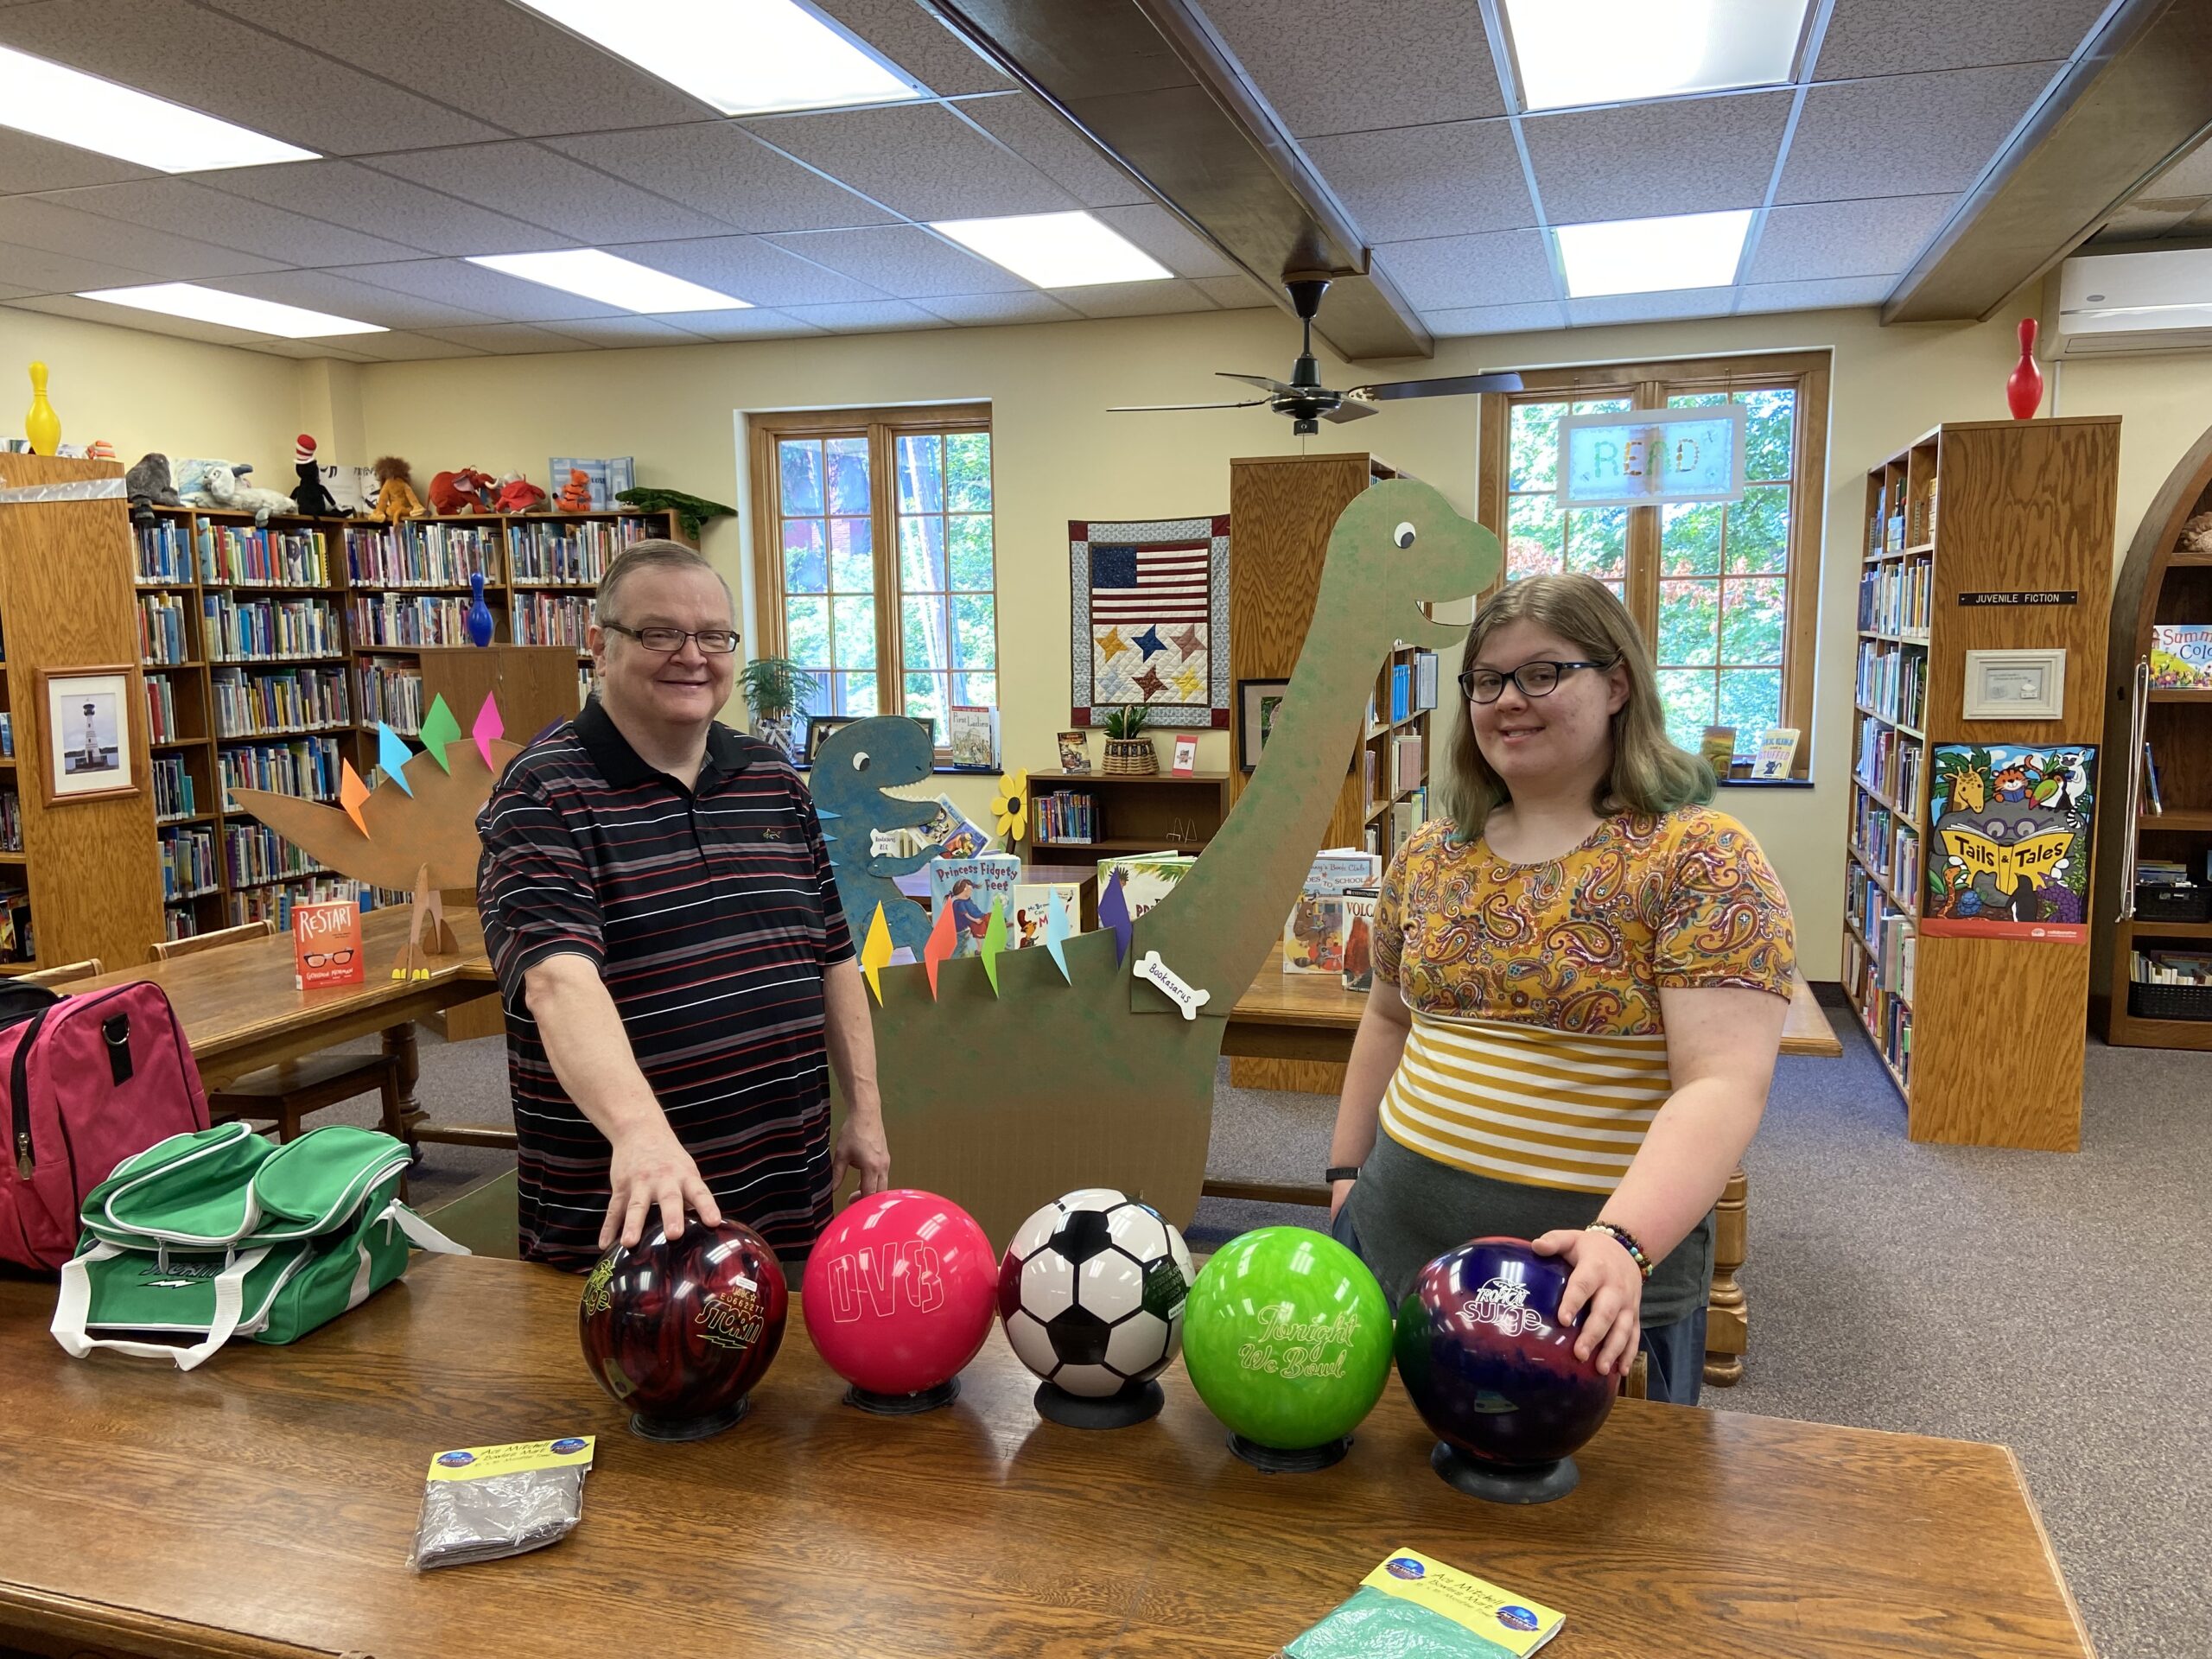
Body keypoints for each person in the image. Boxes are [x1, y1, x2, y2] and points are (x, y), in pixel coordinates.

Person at [1326, 574, 1794, 1404]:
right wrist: (1344, 1175)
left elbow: (1723, 1082)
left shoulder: (1701, 858)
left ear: (1618, 684)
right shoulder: (1432, 853)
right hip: (1395, 1245)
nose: (1509, 699)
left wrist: (1624, 1241)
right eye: (1487, 679)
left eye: (1543, 673)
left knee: (1589, 1523)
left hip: (1586, 1290)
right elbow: (1387, 1021)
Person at [477, 539, 889, 1269]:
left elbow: (833, 954)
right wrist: (640, 1133)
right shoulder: (541, 794)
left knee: (792, 1377)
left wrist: (866, 1108)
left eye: (713, 636)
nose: (692, 655)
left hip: (788, 1193)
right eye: (660, 632)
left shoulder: (774, 781)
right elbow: (557, 980)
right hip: (636, 1208)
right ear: (600, 646)